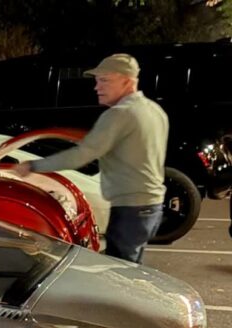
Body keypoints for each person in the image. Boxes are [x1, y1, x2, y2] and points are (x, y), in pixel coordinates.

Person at [13, 53, 168, 264]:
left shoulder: (119, 114)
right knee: (133, 269)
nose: (97, 87)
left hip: (131, 208)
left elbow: (81, 155)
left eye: (104, 80)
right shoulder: (155, 111)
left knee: (121, 272)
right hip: (152, 205)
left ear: (127, 81)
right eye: (97, 80)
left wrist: (33, 166)